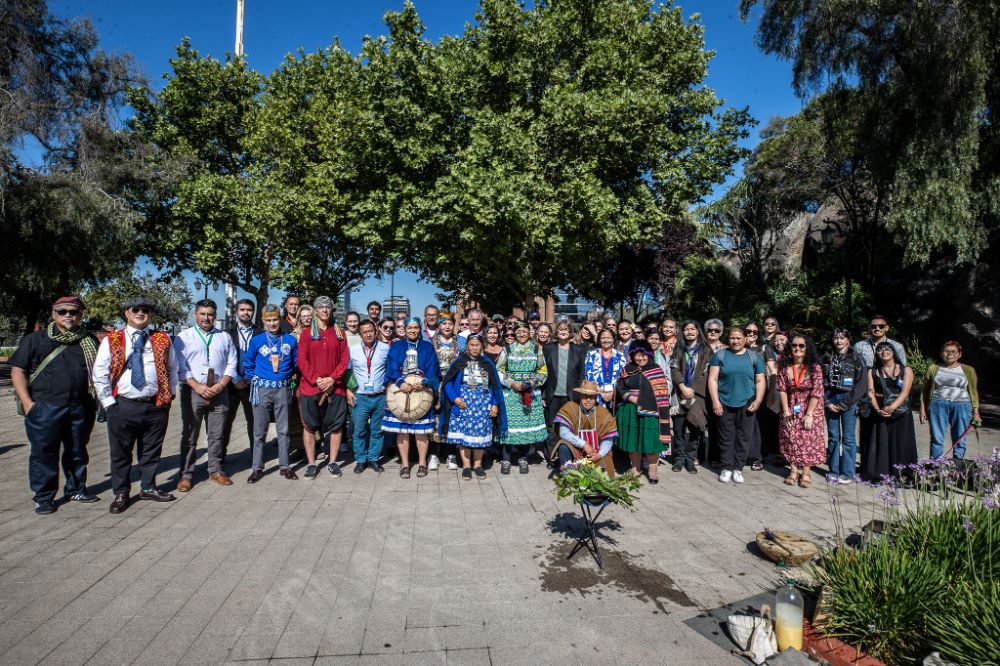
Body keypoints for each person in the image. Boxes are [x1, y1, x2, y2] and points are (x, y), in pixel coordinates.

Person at [11, 296, 99, 514]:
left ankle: (76, 488)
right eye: (63, 311)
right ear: (53, 314)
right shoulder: (35, 339)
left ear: (81, 315)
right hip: (45, 407)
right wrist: (28, 404)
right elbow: (18, 371)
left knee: (77, 450)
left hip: (81, 406)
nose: (68, 315)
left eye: (74, 312)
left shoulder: (88, 340)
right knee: (44, 452)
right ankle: (44, 496)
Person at [92, 296, 179, 514]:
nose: (141, 313)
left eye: (146, 310)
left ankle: (148, 486)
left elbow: (173, 369)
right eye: (136, 309)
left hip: (155, 405)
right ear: (127, 313)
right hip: (123, 405)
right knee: (121, 452)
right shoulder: (112, 340)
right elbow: (100, 373)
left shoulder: (162, 339)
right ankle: (121, 492)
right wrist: (109, 404)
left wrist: (170, 395)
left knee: (151, 450)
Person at [173, 299, 238, 491]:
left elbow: (232, 363)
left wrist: (221, 385)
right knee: (190, 435)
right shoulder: (183, 337)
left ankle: (215, 470)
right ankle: (186, 474)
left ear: (215, 316)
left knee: (217, 434)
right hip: (193, 391)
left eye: (210, 314)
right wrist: (196, 385)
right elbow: (180, 366)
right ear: (195, 315)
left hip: (219, 391)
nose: (206, 318)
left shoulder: (224, 337)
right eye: (202, 314)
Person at [244, 304, 299, 483]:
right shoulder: (257, 341)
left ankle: (285, 466)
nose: (273, 323)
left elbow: (296, 363)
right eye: (269, 320)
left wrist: (287, 376)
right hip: (262, 390)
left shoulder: (290, 340)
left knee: (283, 430)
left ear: (280, 320)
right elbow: (248, 365)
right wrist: (257, 380)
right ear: (263, 321)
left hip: (283, 389)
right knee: (259, 431)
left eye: (275, 319)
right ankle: (257, 468)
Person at [297, 296, 350, 479]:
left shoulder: (339, 333)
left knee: (336, 426)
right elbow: (302, 361)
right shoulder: (306, 334)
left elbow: (344, 360)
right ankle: (311, 463)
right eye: (321, 307)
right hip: (311, 388)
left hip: (335, 388)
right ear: (315, 310)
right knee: (310, 426)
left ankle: (333, 461)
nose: (325, 310)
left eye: (328, 307)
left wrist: (332, 379)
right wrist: (317, 379)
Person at [440, 334, 507, 478]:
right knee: (464, 437)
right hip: (463, 404)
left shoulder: (487, 363)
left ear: (482, 345)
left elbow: (495, 387)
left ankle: (477, 465)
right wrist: (455, 398)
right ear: (467, 346)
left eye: (477, 345)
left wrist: (495, 404)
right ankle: (466, 465)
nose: (475, 348)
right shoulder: (460, 361)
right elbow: (448, 382)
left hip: (483, 405)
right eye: (472, 345)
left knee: (480, 435)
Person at [382, 317, 441, 478]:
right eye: (410, 328)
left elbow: (433, 368)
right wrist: (400, 381)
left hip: (421, 392)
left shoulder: (427, 347)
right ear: (405, 329)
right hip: (401, 393)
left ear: (419, 329)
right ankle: (405, 464)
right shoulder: (397, 346)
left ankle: (422, 463)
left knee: (421, 432)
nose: (413, 330)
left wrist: (424, 381)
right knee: (402, 432)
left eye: (416, 327)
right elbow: (391, 367)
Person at [707, 327, 766, 484]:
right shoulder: (719, 355)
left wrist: (758, 400)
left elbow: (760, 381)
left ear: (745, 339)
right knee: (726, 436)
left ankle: (738, 468)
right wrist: (715, 401)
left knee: (743, 437)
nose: (735, 341)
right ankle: (726, 467)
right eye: (732, 338)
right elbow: (712, 379)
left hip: (747, 402)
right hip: (724, 401)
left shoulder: (754, 357)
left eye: (739, 338)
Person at [615, 339, 671, 483]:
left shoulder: (656, 369)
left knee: (651, 441)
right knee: (633, 440)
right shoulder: (627, 369)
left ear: (649, 354)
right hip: (630, 410)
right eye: (637, 355)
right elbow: (620, 387)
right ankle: (636, 469)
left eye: (643, 355)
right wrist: (630, 397)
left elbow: (662, 392)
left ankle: (653, 470)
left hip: (651, 412)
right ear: (632, 355)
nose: (640, 358)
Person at [497, 321, 549, 474]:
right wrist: (511, 383)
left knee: (526, 426)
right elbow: (499, 369)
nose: (521, 334)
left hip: (530, 392)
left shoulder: (536, 349)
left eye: (524, 331)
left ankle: (523, 458)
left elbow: (543, 371)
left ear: (530, 332)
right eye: (518, 331)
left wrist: (533, 382)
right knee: (510, 427)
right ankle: (506, 459)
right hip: (511, 393)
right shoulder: (507, 349)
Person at [861, 342, 917, 481]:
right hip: (880, 412)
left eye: (887, 349)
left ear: (893, 351)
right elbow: (870, 392)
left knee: (900, 442)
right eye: (880, 350)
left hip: (901, 412)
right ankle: (881, 474)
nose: (884, 351)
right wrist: (878, 409)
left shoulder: (906, 370)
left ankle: (902, 475)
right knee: (881, 443)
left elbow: (905, 392)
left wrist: (892, 407)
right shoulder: (872, 371)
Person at [776, 335, 826, 488]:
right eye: (794, 345)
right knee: (790, 437)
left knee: (808, 440)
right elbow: (782, 389)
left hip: (811, 407)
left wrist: (809, 414)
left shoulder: (815, 367)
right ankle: (792, 471)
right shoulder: (784, 367)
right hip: (791, 406)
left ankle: (805, 472)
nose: (797, 348)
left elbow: (817, 392)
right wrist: (785, 411)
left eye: (801, 346)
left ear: (807, 348)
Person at [920, 341, 980, 460]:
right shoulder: (933, 368)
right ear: (941, 353)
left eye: (953, 351)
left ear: (959, 354)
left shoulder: (968, 370)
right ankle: (935, 467)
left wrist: (976, 412)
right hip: (938, 404)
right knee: (937, 438)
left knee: (960, 438)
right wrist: (922, 410)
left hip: (962, 405)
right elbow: (924, 391)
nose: (949, 354)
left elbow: (973, 392)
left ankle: (958, 466)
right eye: (946, 351)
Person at [821, 329, 866, 482]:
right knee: (833, 437)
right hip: (830, 399)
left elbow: (861, 384)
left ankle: (847, 473)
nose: (839, 341)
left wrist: (845, 403)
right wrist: (826, 402)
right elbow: (819, 382)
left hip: (849, 400)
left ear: (848, 340)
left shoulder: (857, 358)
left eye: (842, 338)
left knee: (848, 438)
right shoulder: (826, 358)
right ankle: (833, 470)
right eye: (836, 338)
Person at [346, 320, 390, 473]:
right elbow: (347, 371)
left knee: (377, 430)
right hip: (360, 396)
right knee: (359, 430)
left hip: (379, 396)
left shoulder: (385, 348)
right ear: (360, 334)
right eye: (365, 332)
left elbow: (390, 370)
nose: (368, 334)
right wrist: (348, 389)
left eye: (371, 330)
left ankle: (373, 458)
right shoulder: (353, 350)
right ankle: (360, 459)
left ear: (376, 330)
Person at [551, 380, 618, 475]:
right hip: (576, 450)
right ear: (579, 396)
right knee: (563, 447)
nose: (588, 400)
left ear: (596, 397)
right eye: (585, 396)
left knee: (602, 477)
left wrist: (599, 454)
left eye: (591, 397)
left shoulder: (604, 414)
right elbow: (563, 432)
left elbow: (608, 440)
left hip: (596, 452)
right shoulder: (570, 407)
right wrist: (584, 444)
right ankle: (569, 476)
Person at [670, 320, 710, 474]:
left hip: (697, 397)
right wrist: (682, 387)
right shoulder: (678, 349)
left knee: (695, 431)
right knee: (679, 432)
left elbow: (707, 374)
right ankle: (678, 460)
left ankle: (690, 459)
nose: (690, 332)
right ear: (682, 332)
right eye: (686, 329)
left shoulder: (706, 351)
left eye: (693, 329)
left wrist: (692, 390)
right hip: (680, 396)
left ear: (698, 331)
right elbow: (674, 369)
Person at [542, 320, 586, 460]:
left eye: (566, 330)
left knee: (570, 426)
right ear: (556, 332)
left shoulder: (577, 349)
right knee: (552, 427)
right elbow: (544, 373)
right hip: (552, 394)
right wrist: (543, 395)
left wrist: (579, 394)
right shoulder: (549, 348)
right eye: (560, 329)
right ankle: (552, 456)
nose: (563, 332)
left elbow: (581, 374)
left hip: (570, 395)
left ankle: (568, 456)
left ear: (570, 333)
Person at [223, 299, 259, 464]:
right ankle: (219, 457)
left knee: (255, 423)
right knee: (225, 423)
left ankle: (256, 457)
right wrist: (235, 379)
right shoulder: (226, 334)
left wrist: (251, 378)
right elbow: (221, 360)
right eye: (242, 309)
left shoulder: (260, 333)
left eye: (249, 309)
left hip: (253, 386)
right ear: (237, 312)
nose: (246, 312)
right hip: (231, 386)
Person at [430, 314, 461, 470]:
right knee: (436, 419)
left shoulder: (460, 342)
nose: (447, 326)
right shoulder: (431, 342)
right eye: (444, 324)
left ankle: (451, 454)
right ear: (439, 325)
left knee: (452, 418)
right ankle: (434, 454)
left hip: (454, 384)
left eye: (450, 323)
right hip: (436, 385)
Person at [584, 328, 627, 408]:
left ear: (613, 339)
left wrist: (613, 393)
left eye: (608, 338)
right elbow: (589, 376)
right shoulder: (591, 355)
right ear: (599, 340)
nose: (606, 340)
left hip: (616, 398)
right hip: (596, 397)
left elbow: (622, 377)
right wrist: (601, 393)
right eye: (603, 338)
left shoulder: (620, 356)